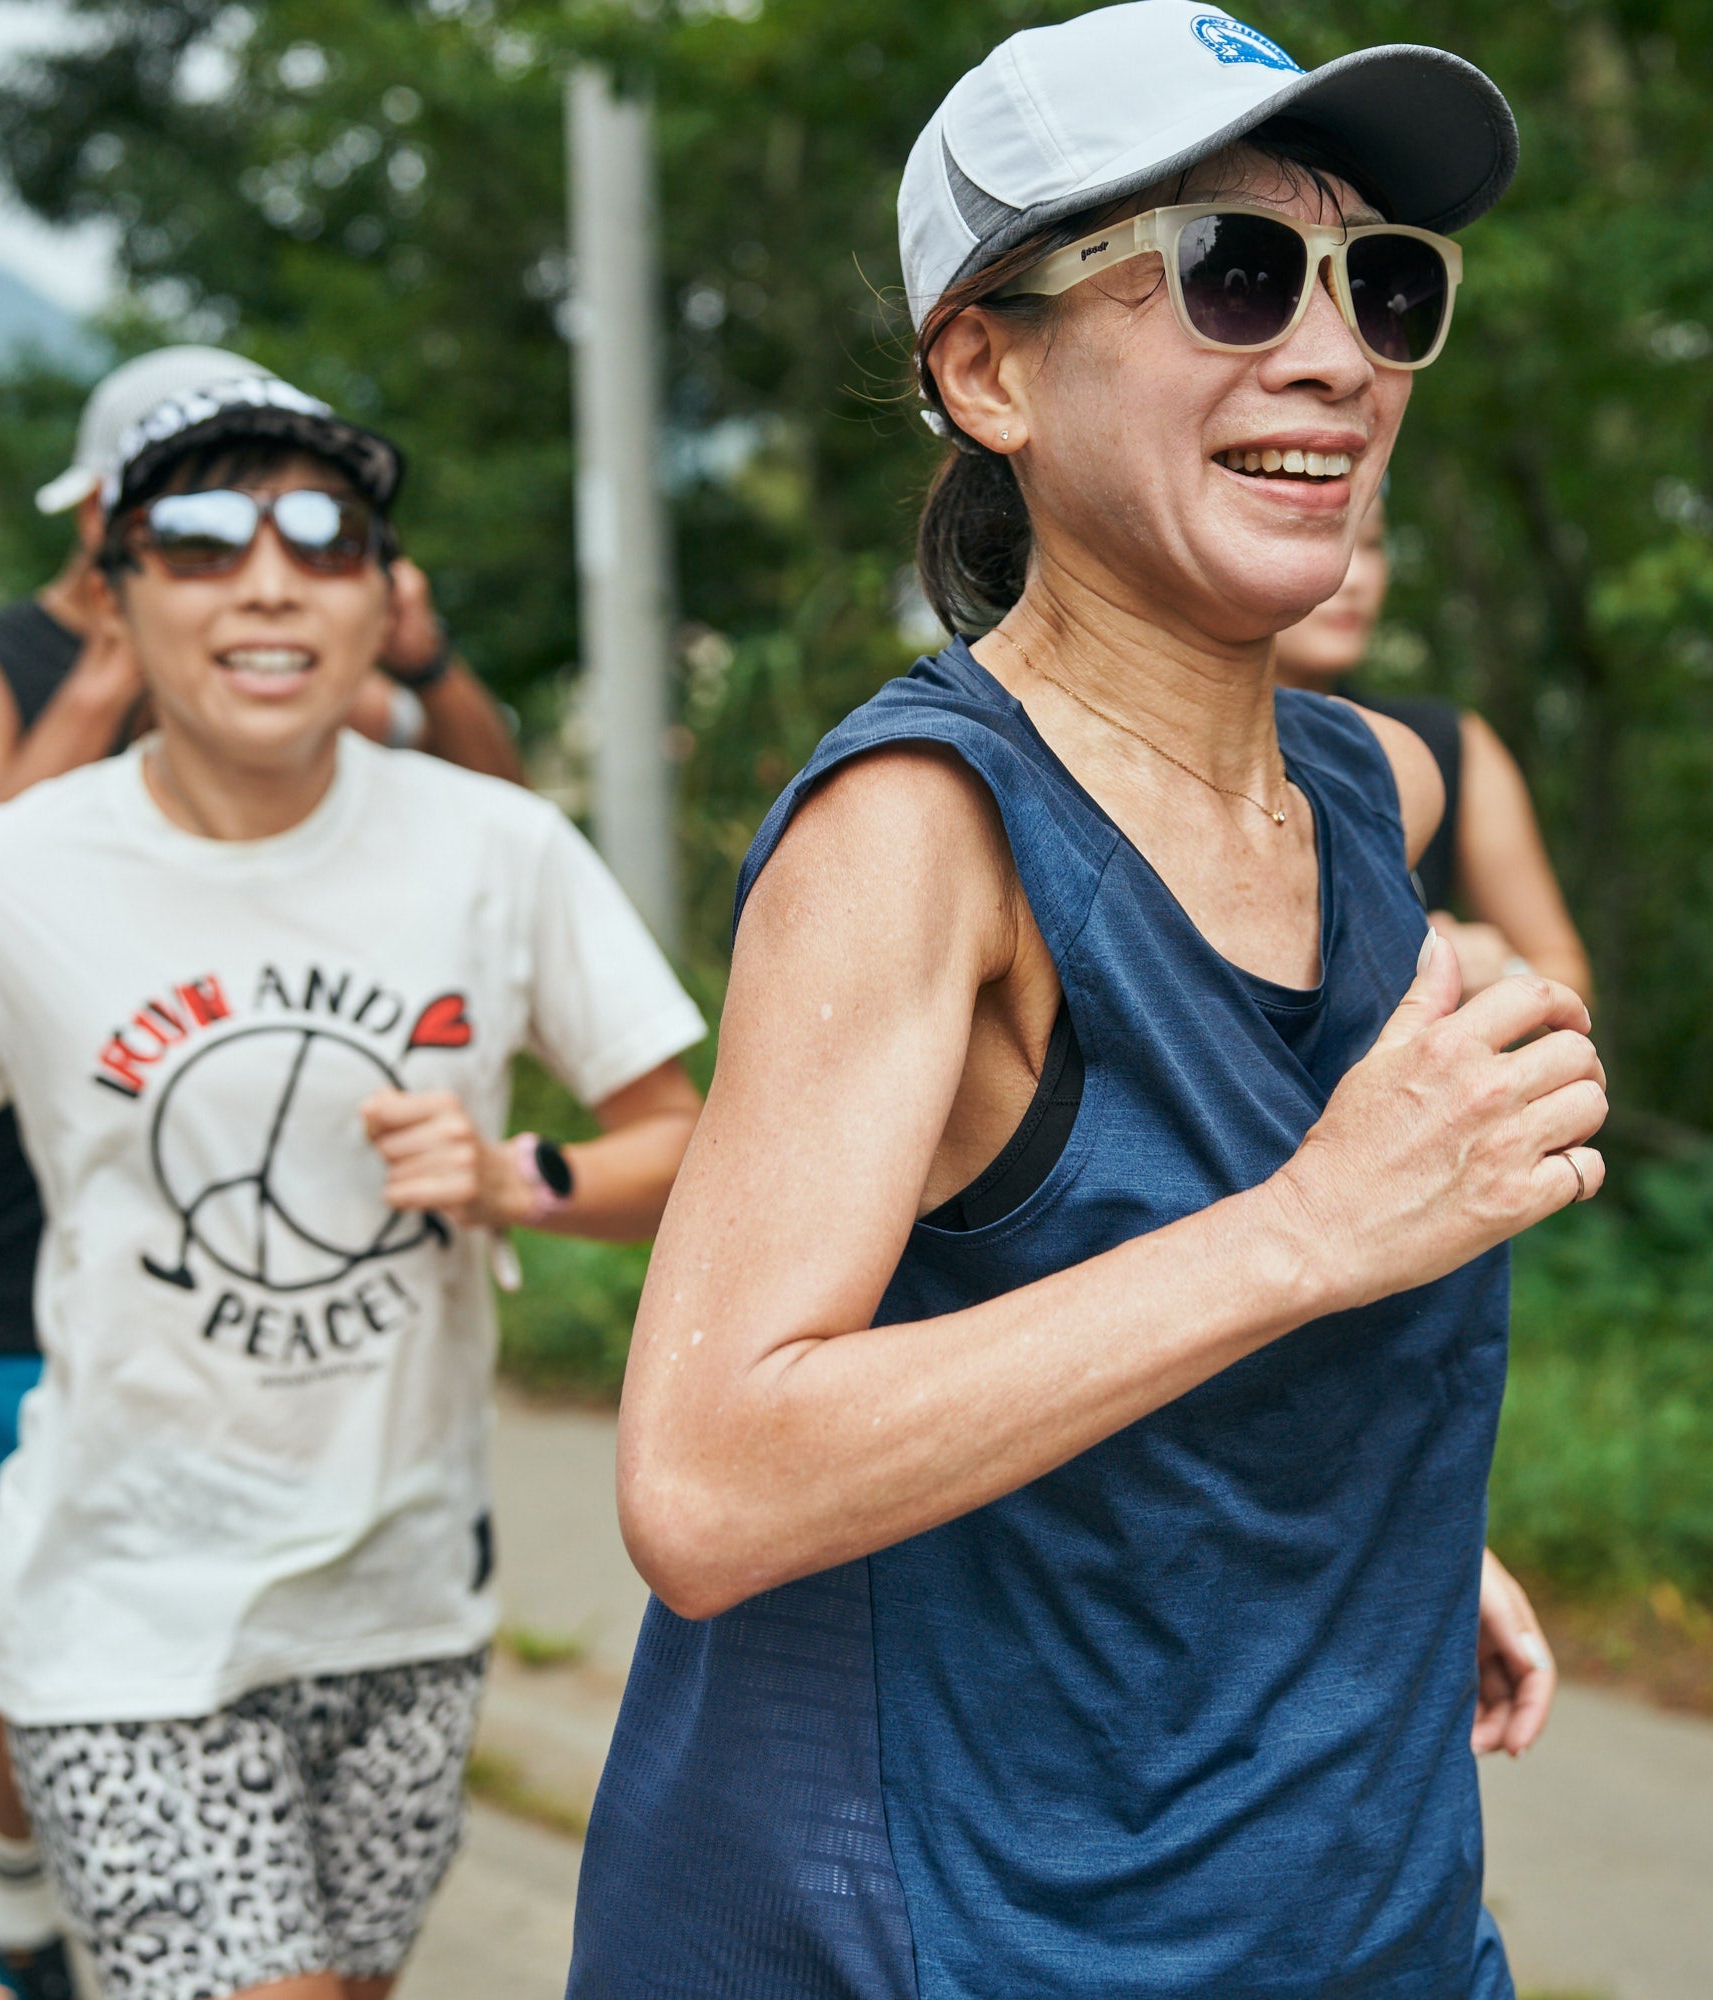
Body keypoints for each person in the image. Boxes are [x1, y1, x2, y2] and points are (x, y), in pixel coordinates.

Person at [567, 7, 1603, 1995]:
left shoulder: (1376, 797)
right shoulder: (923, 834)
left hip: (1361, 1911)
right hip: (963, 1938)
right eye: (1233, 270)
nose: (1334, 355)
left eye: (1381, 286)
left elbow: (1153, 1317)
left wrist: (1363, 1534)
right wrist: (1311, 1236)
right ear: (988, 366)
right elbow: (706, 1478)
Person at [0, 370, 706, 2000]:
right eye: (199, 539)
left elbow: (686, 1140)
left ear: (385, 601)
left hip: (404, 1601)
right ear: (117, 597)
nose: (266, 578)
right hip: (123, 1616)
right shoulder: (2, 879)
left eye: (324, 539)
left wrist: (521, 1173)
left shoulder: (495, 850)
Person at [1273, 489, 1596, 999]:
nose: (1353, 578)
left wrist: (1497, 974)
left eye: (1374, 542)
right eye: (1317, 532)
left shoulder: (1447, 743)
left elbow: (1566, 975)